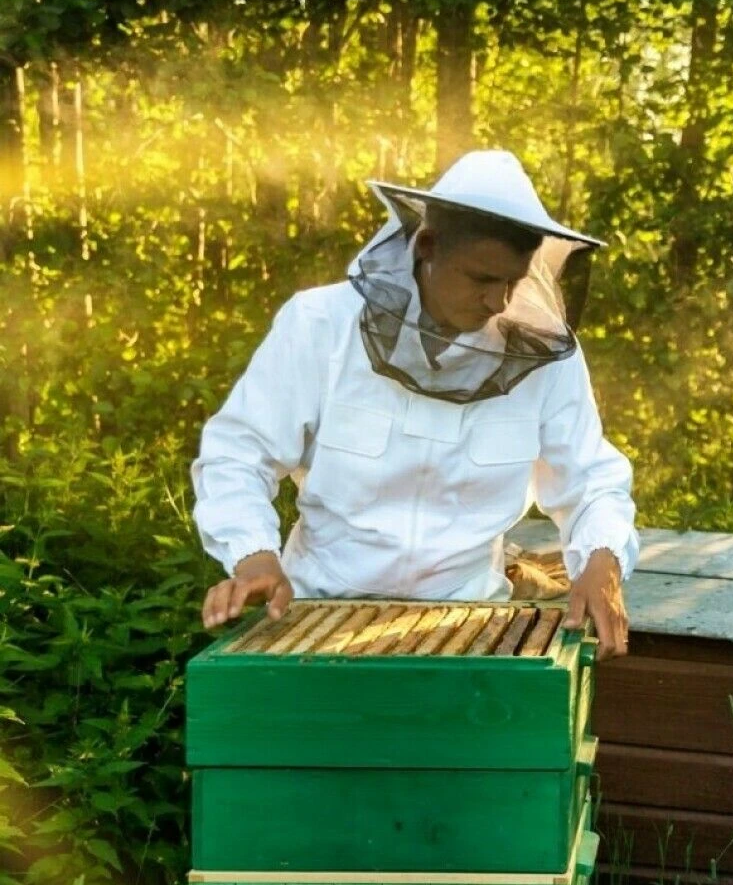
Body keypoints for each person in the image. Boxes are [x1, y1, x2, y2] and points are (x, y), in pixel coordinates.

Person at [190, 150, 635, 659]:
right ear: (427, 245)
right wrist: (253, 556)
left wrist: (602, 560)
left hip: (474, 621)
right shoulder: (319, 325)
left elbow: (592, 479)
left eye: (513, 281)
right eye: (481, 279)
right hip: (321, 609)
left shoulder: (543, 356)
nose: (499, 302)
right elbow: (239, 453)